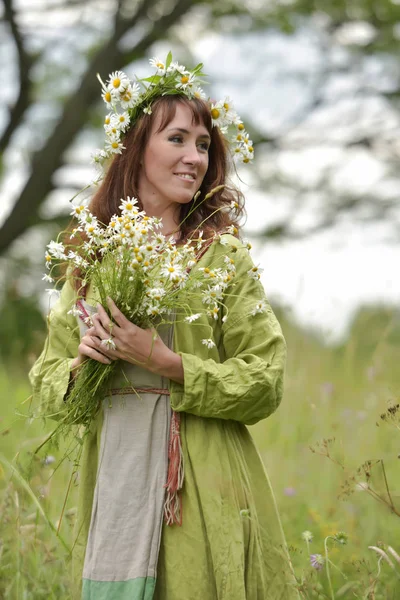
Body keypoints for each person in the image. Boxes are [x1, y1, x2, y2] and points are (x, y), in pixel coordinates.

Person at [29, 56, 301, 600]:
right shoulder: (93, 260)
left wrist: (164, 362)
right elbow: (48, 379)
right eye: (177, 138)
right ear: (135, 149)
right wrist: (85, 364)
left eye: (203, 145)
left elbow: (265, 379)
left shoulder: (223, 257)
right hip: (116, 473)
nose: (194, 157)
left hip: (202, 479)